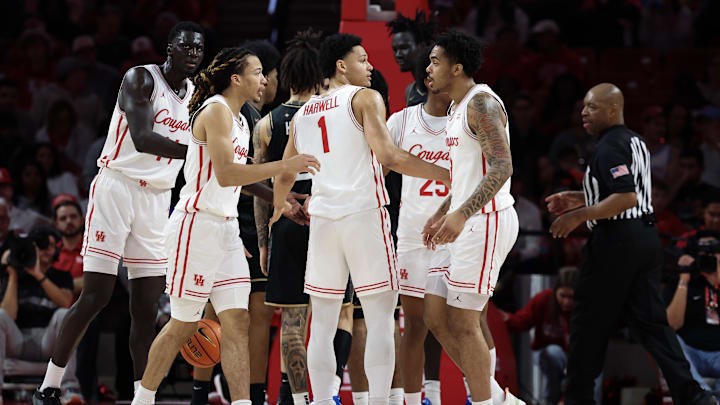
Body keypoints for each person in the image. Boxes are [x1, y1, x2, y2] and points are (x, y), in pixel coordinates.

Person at [130, 45, 319, 405]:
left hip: (225, 230)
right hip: (195, 226)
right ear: (236, 78)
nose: (264, 79)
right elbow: (227, 172)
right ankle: (143, 399)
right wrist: (284, 166)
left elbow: (238, 181)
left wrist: (276, 200)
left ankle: (243, 402)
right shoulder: (215, 110)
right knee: (184, 324)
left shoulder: (242, 120)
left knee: (238, 322)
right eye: (258, 72)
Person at [32, 21, 206, 405]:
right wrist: (200, 152)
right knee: (96, 296)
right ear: (170, 48)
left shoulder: (196, 96)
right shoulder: (140, 78)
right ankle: (49, 386)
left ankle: (142, 398)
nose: (193, 54)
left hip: (158, 199)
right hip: (117, 187)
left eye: (199, 49)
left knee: (146, 308)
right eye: (186, 47)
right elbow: (143, 139)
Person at [270, 33, 449, 405]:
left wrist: (279, 207)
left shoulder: (305, 113)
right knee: (381, 316)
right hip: (364, 216)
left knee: (321, 321)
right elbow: (389, 157)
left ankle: (320, 402)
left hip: (323, 222)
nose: (370, 67)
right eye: (363, 60)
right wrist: (447, 174)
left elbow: (285, 172)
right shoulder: (365, 97)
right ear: (341, 65)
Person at [546, 83, 717, 405]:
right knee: (653, 324)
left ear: (613, 110)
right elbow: (627, 193)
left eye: (592, 107)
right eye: (583, 106)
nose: (584, 112)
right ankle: (692, 394)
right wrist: (578, 198)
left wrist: (578, 216)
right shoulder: (635, 141)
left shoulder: (609, 146)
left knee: (587, 322)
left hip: (616, 242)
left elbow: (625, 197)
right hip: (645, 239)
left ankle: (577, 399)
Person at [421, 30, 521, 405]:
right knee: (434, 314)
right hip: (464, 219)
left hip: (487, 221)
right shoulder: (455, 107)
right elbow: (467, 176)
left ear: (457, 67)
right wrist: (441, 212)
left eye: (435, 61)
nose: (428, 68)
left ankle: (485, 401)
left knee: (464, 322)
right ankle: (494, 395)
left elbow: (502, 167)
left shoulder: (481, 104)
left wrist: (461, 214)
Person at [385, 45, 451, 405]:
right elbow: (375, 172)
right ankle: (414, 400)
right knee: (414, 327)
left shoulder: (467, 119)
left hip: (457, 235)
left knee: (462, 323)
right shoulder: (401, 121)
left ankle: (475, 395)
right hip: (413, 237)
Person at [0, 227, 80, 404]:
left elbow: (65, 303)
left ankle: (69, 388)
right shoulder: (15, 277)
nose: (44, 249)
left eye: (49, 245)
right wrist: (12, 275)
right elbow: (8, 314)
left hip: (48, 342)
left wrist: (38, 274)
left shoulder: (61, 276)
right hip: (19, 341)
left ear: (56, 251)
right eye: (40, 245)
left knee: (63, 314)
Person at [502, 267, 602, 405]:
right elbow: (522, 321)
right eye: (563, 296)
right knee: (553, 352)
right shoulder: (543, 299)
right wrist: (504, 319)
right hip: (549, 355)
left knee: (592, 375)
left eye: (571, 297)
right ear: (556, 291)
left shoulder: (587, 308)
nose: (566, 302)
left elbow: (591, 345)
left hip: (582, 356)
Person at [666, 230, 720, 395]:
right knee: (668, 339)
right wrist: (684, 279)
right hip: (691, 354)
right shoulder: (683, 279)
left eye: (712, 252)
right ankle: (700, 396)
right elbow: (672, 325)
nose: (707, 258)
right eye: (702, 253)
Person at [386, 11, 436, 107]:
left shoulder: (440, 88)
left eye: (404, 48)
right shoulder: (409, 91)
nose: (398, 54)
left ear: (422, 46)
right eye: (395, 50)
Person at [51, 198, 85, 296]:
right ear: (56, 224)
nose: (69, 221)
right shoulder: (50, 251)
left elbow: (94, 283)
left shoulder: (95, 249)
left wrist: (54, 286)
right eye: (63, 218)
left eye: (73, 216)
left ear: (82, 220)